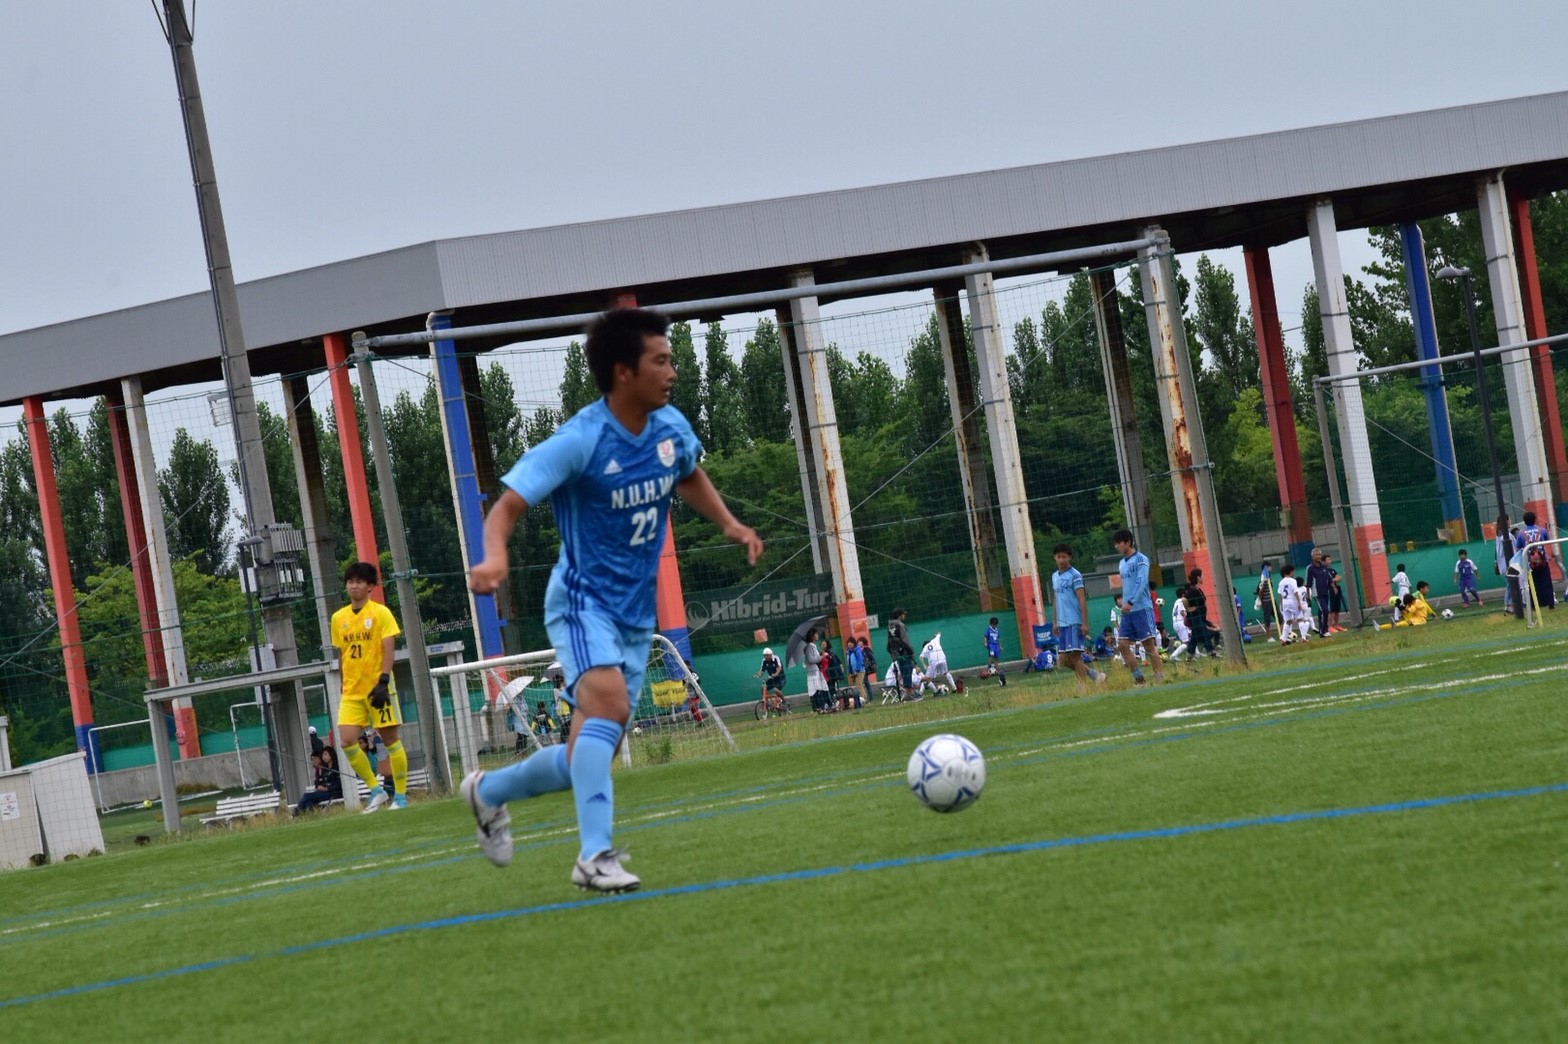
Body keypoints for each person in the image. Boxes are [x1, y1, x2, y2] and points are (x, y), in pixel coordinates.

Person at [460, 308, 762, 893]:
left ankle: (488, 791)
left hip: (633, 615)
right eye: (661, 361)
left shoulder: (669, 427)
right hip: (581, 604)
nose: (672, 371)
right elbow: (506, 506)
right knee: (611, 709)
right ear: (624, 372)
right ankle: (594, 856)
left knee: (587, 753)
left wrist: (729, 523)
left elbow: (687, 473)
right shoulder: (582, 440)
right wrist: (495, 558)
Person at [331, 561, 408, 813]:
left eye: (359, 581)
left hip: (378, 689)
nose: (354, 586)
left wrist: (383, 680)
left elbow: (388, 647)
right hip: (352, 692)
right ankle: (376, 791)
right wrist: (343, 683)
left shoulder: (380, 613)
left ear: (370, 586)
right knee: (347, 741)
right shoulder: (338, 618)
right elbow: (342, 654)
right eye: (350, 581)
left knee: (391, 740)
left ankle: (400, 797)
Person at [1049, 543, 1105, 689]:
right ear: (1054, 558)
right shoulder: (1054, 576)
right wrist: (1054, 622)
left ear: (1070, 557)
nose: (1061, 560)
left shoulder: (1075, 575)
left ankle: (1082, 687)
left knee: (1075, 656)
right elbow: (1055, 600)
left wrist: (1084, 623)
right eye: (1058, 557)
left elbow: (1081, 599)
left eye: (1064, 556)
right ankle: (1094, 675)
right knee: (1063, 660)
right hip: (1062, 623)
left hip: (1074, 621)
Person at [1113, 529, 1164, 684]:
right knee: (1122, 645)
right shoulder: (1121, 563)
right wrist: (1125, 604)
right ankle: (1138, 677)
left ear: (1128, 542)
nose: (1117, 546)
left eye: (1119, 543)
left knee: (1148, 645)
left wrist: (1130, 602)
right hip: (1127, 612)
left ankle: (1159, 678)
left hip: (1141, 609)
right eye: (1115, 544)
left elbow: (1141, 581)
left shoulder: (1141, 559)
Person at [1516, 510, 1557, 611]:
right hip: (1542, 561)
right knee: (1546, 582)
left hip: (1529, 563)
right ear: (1535, 520)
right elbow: (1547, 540)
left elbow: (1518, 547)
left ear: (1524, 521)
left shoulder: (1521, 533)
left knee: (1532, 584)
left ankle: (1534, 604)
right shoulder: (1542, 530)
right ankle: (1550, 603)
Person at [294, 746, 344, 816]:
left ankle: (296, 814)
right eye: (323, 755)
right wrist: (320, 786)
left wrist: (327, 788)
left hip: (332, 793)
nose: (323, 757)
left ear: (331, 755)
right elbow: (323, 782)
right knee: (309, 803)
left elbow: (339, 784)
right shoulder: (324, 769)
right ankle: (313, 817)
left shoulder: (337, 768)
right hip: (324, 792)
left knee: (306, 796)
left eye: (325, 754)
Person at [1182, 568, 1217, 661]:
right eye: (1202, 575)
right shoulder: (1192, 590)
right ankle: (1212, 652)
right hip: (1194, 617)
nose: (1203, 577)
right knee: (1204, 633)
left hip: (1200, 617)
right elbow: (1184, 599)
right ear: (1198, 577)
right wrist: (1188, 609)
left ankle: (1189, 656)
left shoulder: (1197, 589)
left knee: (1195, 637)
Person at [886, 608, 917, 702]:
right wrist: (911, 652)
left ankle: (907, 693)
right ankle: (908, 694)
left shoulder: (890, 625)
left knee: (903, 673)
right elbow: (905, 640)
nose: (904, 616)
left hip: (896, 653)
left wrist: (891, 652)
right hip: (904, 652)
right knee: (908, 672)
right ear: (899, 615)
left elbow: (889, 641)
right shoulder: (900, 625)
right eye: (903, 614)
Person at [1305, 549, 1333, 638]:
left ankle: (1322, 631)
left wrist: (1333, 587)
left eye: (1319, 555)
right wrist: (1308, 594)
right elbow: (1308, 583)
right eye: (1316, 555)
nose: (1318, 556)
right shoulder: (1310, 568)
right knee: (1325, 610)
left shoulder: (1323, 567)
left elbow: (1329, 578)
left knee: (1322, 612)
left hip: (1326, 592)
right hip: (1317, 593)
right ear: (1312, 556)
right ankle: (1324, 630)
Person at [1277, 563, 1308, 644]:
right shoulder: (1293, 581)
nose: (1293, 573)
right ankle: (1304, 638)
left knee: (1288, 621)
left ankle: (1283, 639)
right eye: (1293, 571)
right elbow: (1295, 592)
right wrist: (1299, 603)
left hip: (1284, 601)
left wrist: (1281, 604)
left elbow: (1280, 594)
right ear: (1290, 571)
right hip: (1292, 600)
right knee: (1300, 619)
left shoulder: (1281, 582)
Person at [1323, 554, 1346, 633]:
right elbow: (1327, 581)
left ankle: (1336, 625)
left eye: (1330, 559)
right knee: (1331, 610)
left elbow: (1339, 578)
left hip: (1336, 591)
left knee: (1336, 609)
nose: (1329, 561)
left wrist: (1334, 579)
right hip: (1329, 591)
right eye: (1327, 560)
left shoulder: (1332, 570)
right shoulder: (1323, 571)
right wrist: (1333, 580)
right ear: (1323, 561)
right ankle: (1329, 626)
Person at [982, 617, 1007, 686]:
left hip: (996, 645)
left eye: (996, 624)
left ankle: (996, 669)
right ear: (991, 624)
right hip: (990, 644)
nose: (995, 626)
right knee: (992, 654)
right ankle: (989, 667)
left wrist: (1000, 646)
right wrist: (985, 643)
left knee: (997, 657)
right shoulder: (988, 629)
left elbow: (999, 639)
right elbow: (985, 636)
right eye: (994, 624)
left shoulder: (997, 630)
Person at [1169, 588, 1190, 661]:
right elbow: (1182, 612)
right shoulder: (1182, 601)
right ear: (1183, 594)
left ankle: (1195, 654)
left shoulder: (1176, 602)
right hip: (1181, 622)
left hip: (1175, 622)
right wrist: (1187, 620)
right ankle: (1173, 656)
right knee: (1186, 642)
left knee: (1190, 637)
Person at [858, 637, 878, 706]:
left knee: (866, 683)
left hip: (866, 668)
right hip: (862, 668)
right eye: (858, 642)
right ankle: (868, 697)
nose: (859, 643)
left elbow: (871, 657)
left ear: (863, 642)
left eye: (860, 642)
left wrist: (873, 664)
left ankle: (870, 697)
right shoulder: (859, 650)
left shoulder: (866, 649)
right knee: (866, 683)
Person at [845, 639, 864, 706]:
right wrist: (849, 671)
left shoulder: (857, 650)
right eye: (848, 643)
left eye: (851, 642)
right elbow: (848, 662)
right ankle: (860, 699)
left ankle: (863, 699)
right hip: (852, 671)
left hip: (859, 671)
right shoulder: (848, 652)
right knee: (856, 686)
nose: (850, 644)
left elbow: (860, 660)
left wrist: (857, 670)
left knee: (859, 685)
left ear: (854, 643)